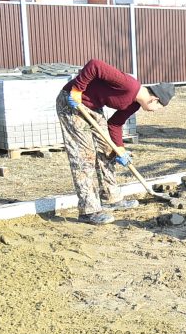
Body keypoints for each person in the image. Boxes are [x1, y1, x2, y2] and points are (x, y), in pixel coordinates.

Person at [56, 59, 175, 225]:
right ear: (154, 99)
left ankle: (111, 197)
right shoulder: (129, 85)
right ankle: (88, 210)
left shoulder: (133, 105)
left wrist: (120, 149)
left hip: (92, 107)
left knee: (108, 151)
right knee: (85, 157)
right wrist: (77, 89)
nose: (155, 111)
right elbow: (95, 65)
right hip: (72, 103)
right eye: (159, 108)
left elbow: (115, 124)